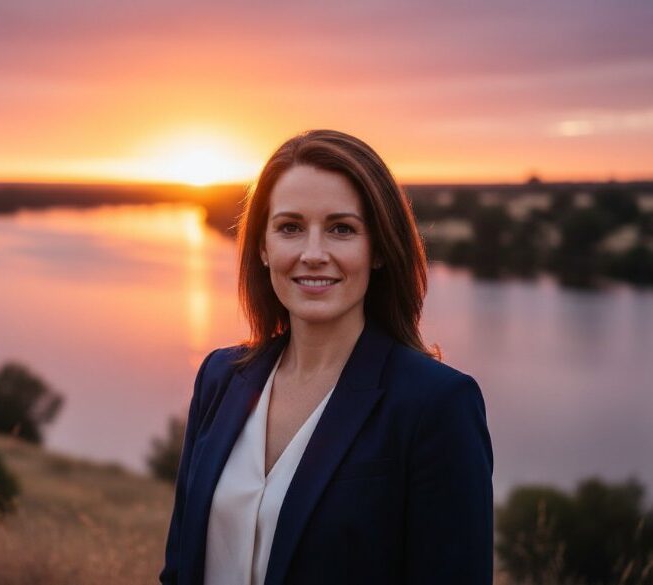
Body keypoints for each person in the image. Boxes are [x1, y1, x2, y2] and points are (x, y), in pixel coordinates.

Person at [160, 129, 493, 585]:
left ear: (377, 249)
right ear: (262, 246)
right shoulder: (220, 377)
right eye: (290, 228)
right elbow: (179, 567)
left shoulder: (436, 404)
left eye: (341, 229)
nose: (313, 254)